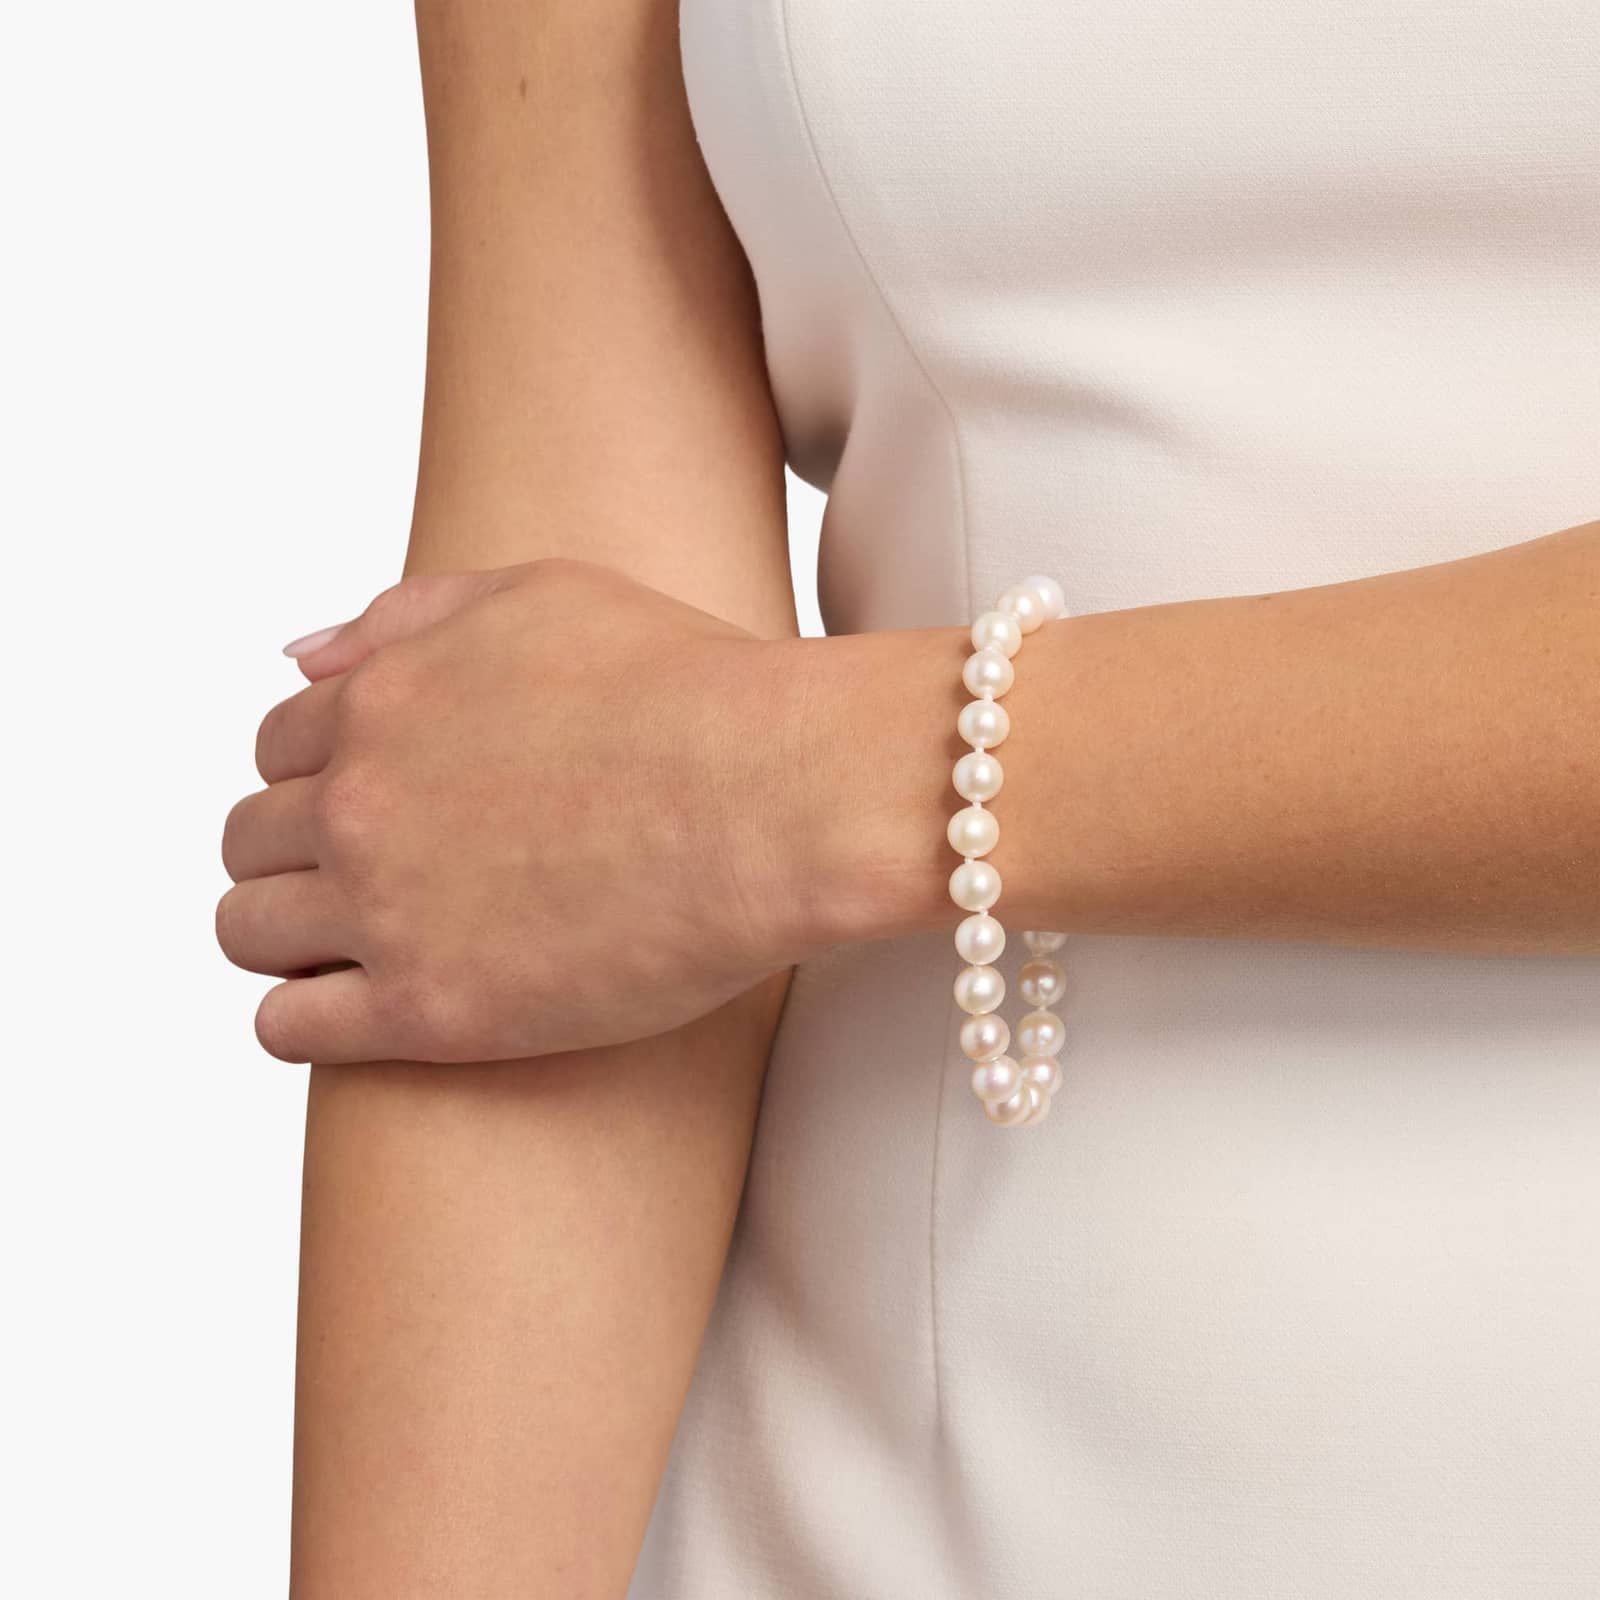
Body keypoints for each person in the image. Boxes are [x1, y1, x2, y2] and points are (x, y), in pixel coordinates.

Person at [216, 0, 1600, 1593]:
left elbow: (652, 793)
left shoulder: (774, 792)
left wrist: (813, 783)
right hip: (868, 1500)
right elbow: (514, 816)